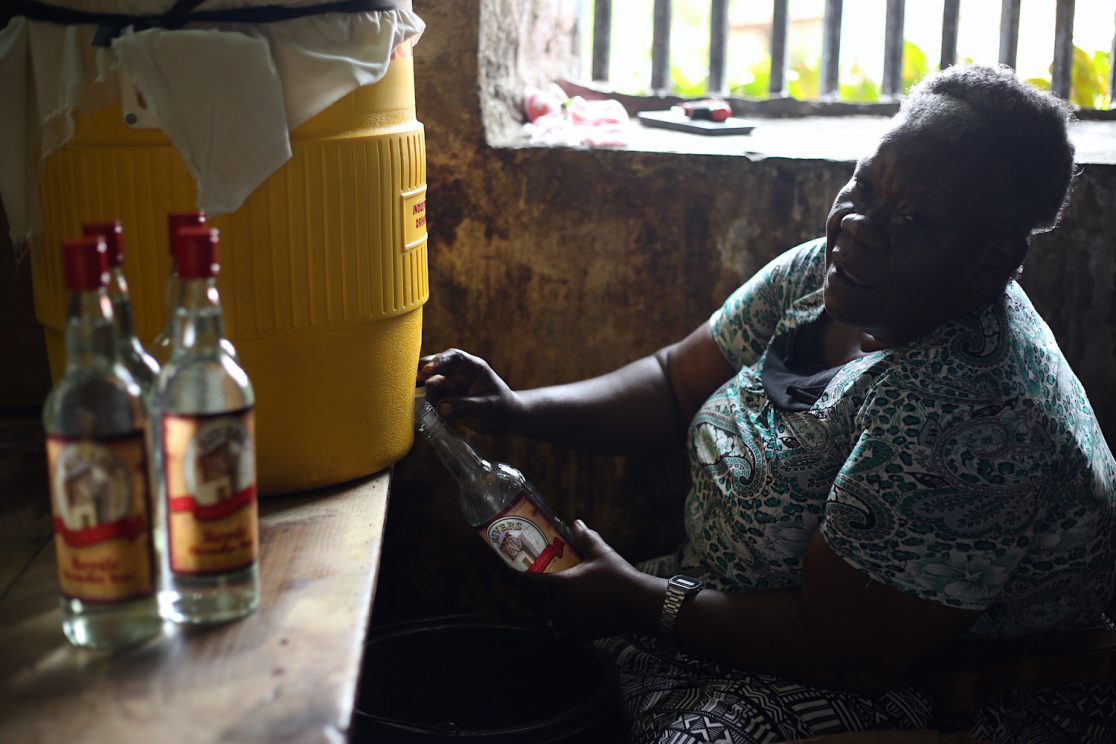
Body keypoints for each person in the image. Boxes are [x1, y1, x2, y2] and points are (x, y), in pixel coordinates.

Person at [417, 64, 1116, 743]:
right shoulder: (829, 275)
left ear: (992, 260)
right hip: (714, 608)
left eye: (915, 218)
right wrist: (514, 410)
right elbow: (671, 383)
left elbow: (845, 651)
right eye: (864, 184)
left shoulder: (976, 415)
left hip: (946, 687)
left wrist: (637, 602)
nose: (859, 225)